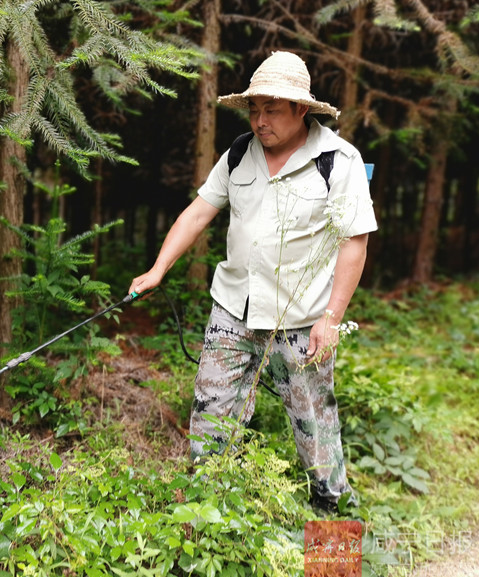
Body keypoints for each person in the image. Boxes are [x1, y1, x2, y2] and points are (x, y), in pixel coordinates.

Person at [128, 50, 378, 512]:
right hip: (232, 310)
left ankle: (332, 515)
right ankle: (207, 511)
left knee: (313, 422)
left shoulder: (338, 161)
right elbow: (198, 212)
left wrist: (331, 318)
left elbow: (354, 242)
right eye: (254, 109)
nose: (260, 120)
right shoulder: (240, 154)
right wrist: (158, 269)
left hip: (300, 319)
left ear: (300, 109)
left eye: (272, 110)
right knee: (211, 411)